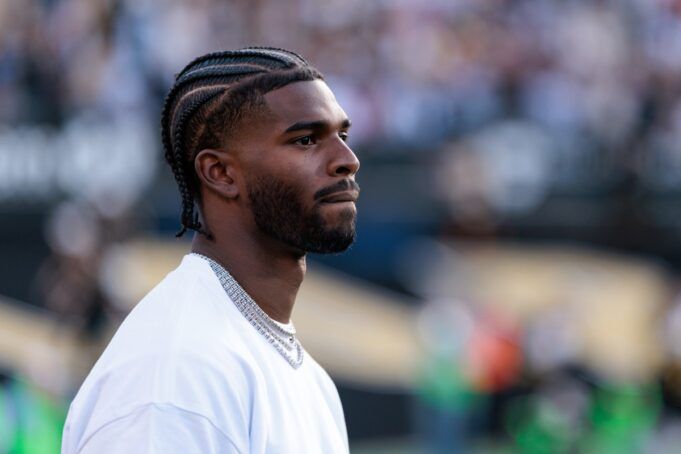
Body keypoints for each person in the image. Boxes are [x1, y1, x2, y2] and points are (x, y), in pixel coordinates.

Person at [61, 47, 360, 453]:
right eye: (306, 140)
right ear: (219, 173)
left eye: (343, 136)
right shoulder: (176, 372)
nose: (347, 160)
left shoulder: (310, 380)